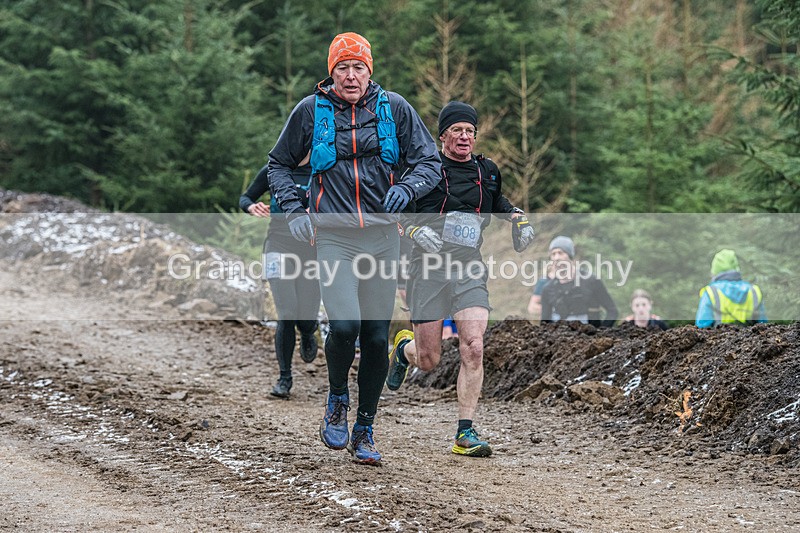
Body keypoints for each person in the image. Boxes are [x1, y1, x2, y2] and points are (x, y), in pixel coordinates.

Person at [267, 32, 441, 465]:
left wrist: (409, 187)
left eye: (358, 67)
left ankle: (365, 427)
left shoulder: (394, 108)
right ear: (331, 72)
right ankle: (337, 397)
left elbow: (429, 163)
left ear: (369, 70)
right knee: (344, 326)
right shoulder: (310, 111)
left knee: (378, 335)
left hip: (383, 238)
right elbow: (278, 164)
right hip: (334, 237)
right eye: (342, 67)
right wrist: (294, 210)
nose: (350, 75)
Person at [386, 101, 535, 458]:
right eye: (458, 131)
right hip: (428, 269)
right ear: (442, 136)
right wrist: (414, 230)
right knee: (429, 360)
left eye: (470, 131)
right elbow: (395, 211)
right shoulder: (424, 170)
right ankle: (405, 351)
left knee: (474, 344)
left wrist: (517, 217)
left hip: (468, 268)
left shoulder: (487, 170)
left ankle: (464, 433)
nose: (465, 137)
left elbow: (496, 201)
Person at [240, 163, 320, 398]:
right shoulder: (273, 170)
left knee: (304, 317)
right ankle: (284, 378)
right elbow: (245, 197)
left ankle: (308, 330)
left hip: (311, 249)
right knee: (286, 313)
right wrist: (252, 206)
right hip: (278, 244)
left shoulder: (322, 169)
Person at [539, 236, 618, 327]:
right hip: (560, 338)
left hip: (589, 337)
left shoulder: (591, 281)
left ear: (570, 255)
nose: (556, 258)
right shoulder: (548, 289)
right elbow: (544, 323)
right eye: (553, 254)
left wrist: (602, 333)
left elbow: (612, 311)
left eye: (560, 253)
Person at [696, 249, 766, 328]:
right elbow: (763, 327)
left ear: (714, 271)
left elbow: (702, 326)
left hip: (719, 339)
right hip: (750, 339)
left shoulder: (711, 292)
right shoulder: (754, 292)